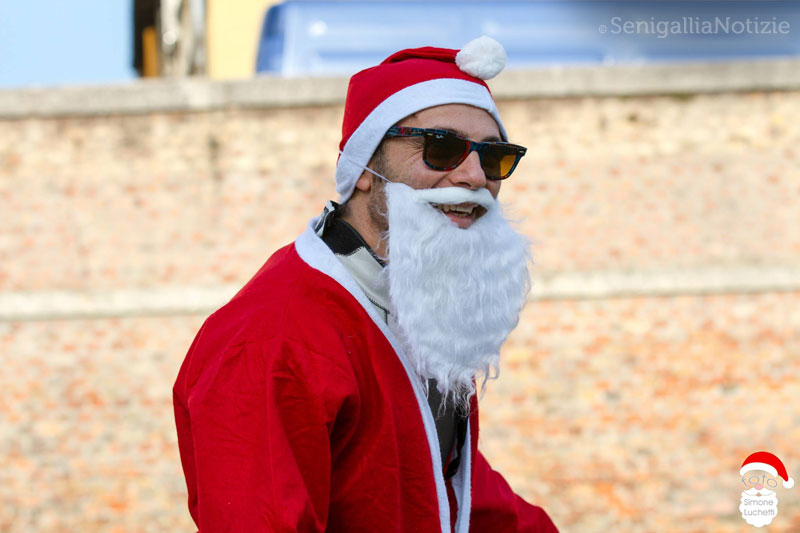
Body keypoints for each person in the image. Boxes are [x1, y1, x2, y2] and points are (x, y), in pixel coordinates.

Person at [173, 36, 558, 532]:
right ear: (364, 169)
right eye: (441, 148)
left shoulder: (411, 305)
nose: (474, 176)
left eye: (494, 157)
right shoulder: (274, 335)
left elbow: (448, 490)